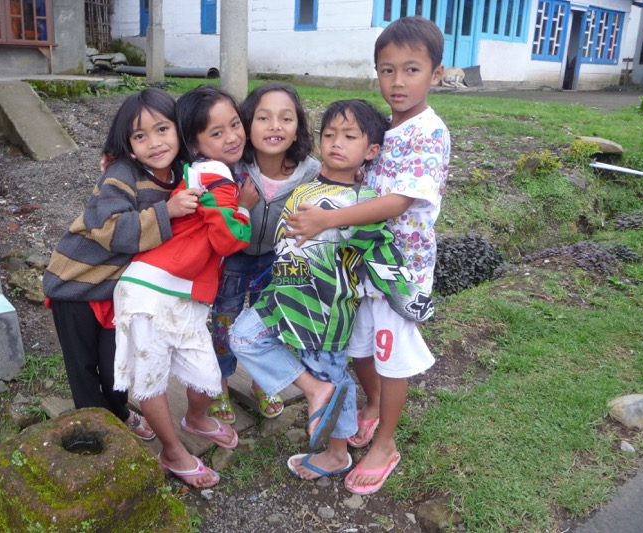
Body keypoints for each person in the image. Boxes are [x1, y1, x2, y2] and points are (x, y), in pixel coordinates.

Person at [285, 16, 449, 495]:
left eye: (412, 70)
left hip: (400, 271)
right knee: (359, 347)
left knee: (390, 354)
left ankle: (386, 445)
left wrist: (327, 220)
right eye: (387, 70)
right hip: (360, 264)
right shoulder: (384, 129)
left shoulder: (428, 132)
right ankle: (373, 406)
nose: (398, 81)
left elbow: (398, 202)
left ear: (436, 74)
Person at [229, 99, 433, 480]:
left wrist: (406, 295)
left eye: (350, 136)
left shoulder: (362, 204)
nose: (337, 142)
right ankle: (313, 391)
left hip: (325, 316)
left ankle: (337, 453)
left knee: (333, 378)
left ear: (371, 150)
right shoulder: (304, 188)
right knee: (242, 336)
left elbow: (382, 251)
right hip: (281, 300)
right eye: (329, 134)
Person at [113, 85, 251, 489]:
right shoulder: (213, 172)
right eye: (217, 132)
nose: (232, 137)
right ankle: (173, 452)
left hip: (183, 290)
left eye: (235, 124)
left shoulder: (206, 172)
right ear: (195, 143)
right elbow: (228, 239)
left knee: (204, 369)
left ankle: (196, 419)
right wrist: (245, 208)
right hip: (151, 292)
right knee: (152, 377)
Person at [43, 88, 200, 442]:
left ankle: (118, 411)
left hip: (118, 288)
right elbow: (109, 228)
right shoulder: (122, 174)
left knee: (117, 362)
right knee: (83, 366)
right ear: (128, 145)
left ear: (179, 130)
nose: (154, 143)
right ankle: (95, 433)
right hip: (77, 282)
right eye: (140, 136)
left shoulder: (183, 173)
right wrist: (167, 212)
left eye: (163, 129)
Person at [209, 83, 321, 423]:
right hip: (233, 260)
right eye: (263, 118)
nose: (275, 126)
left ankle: (263, 383)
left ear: (297, 128)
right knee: (224, 325)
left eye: (286, 118)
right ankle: (219, 386)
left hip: (277, 260)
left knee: (270, 325)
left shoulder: (311, 172)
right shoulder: (231, 166)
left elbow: (342, 181)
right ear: (246, 124)